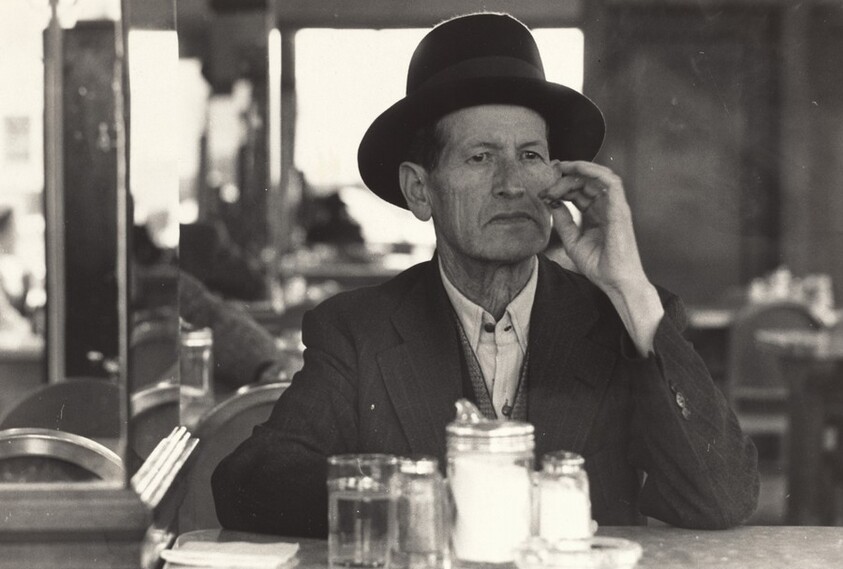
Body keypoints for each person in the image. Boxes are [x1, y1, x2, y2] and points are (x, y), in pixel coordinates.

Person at [212, 12, 759, 538]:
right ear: (419, 190)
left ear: (557, 177)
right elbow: (251, 482)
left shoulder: (622, 317)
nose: (512, 183)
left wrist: (628, 286)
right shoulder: (357, 331)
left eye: (530, 155)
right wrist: (422, 501)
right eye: (479, 157)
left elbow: (721, 499)